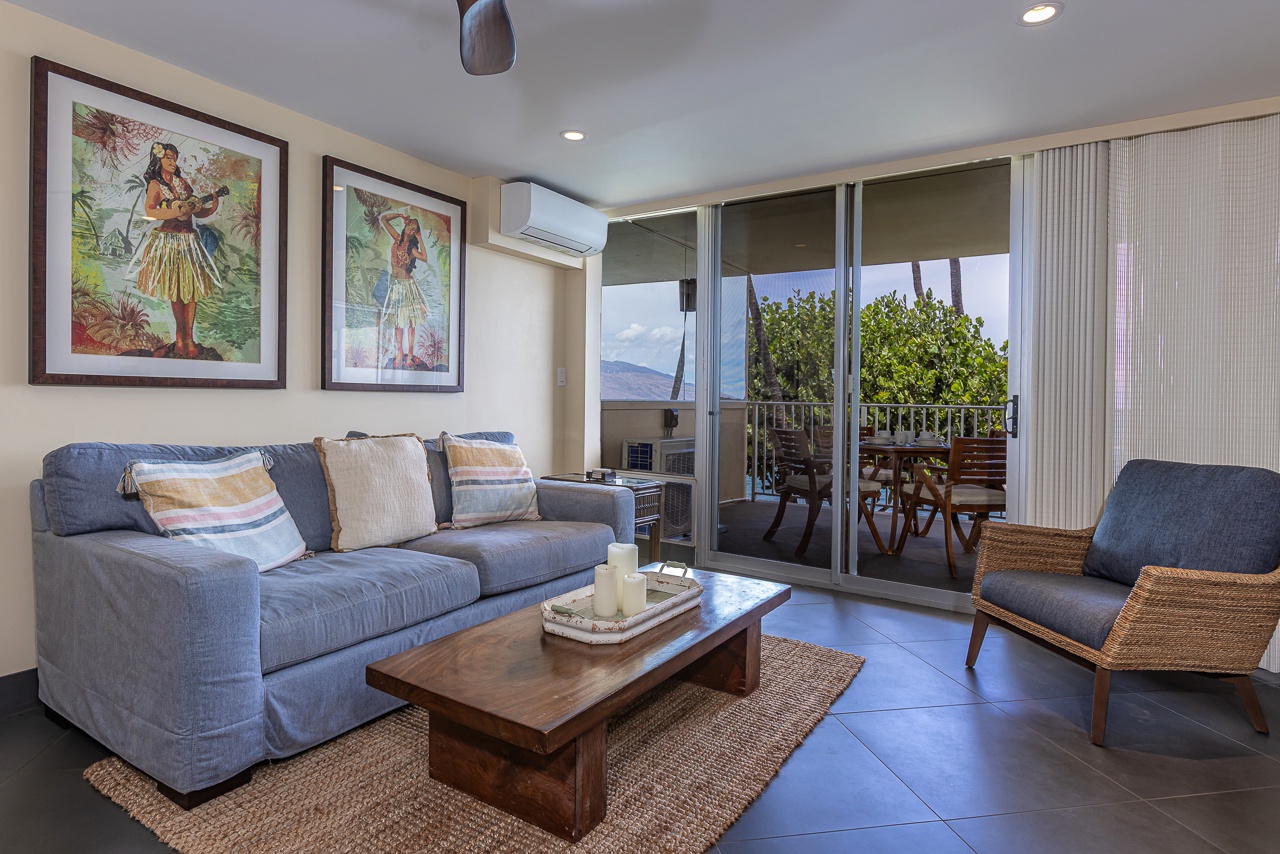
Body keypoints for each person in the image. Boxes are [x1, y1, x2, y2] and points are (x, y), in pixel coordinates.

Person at [130, 141, 221, 358]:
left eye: (174, 158)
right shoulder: (155, 185)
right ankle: (181, 341)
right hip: (169, 242)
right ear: (158, 160)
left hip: (188, 241)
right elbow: (151, 211)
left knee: (191, 291)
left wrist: (211, 209)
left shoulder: (183, 183)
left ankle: (189, 340)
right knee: (177, 291)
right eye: (168, 157)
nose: (172, 161)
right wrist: (174, 212)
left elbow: (194, 212)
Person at [380, 211, 433, 369]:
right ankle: (399, 352)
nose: (411, 228)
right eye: (410, 225)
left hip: (407, 286)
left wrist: (419, 238)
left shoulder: (411, 248)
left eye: (414, 228)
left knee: (410, 322)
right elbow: (384, 219)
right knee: (397, 322)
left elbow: (424, 257)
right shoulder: (397, 238)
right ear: (406, 226)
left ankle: (409, 353)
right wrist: (400, 216)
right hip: (396, 285)